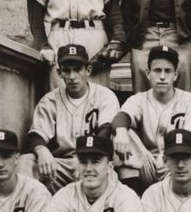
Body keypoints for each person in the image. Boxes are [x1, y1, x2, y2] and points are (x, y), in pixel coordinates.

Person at [18, 44, 121, 192]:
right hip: (60, 166)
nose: (72, 77)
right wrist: (42, 151)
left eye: (78, 69)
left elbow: (105, 134)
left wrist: (86, 162)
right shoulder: (49, 100)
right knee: (26, 162)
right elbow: (36, 135)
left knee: (109, 174)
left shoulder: (105, 96)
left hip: (93, 160)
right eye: (67, 70)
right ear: (59, 72)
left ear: (88, 70)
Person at [111, 45, 191, 194]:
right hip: (147, 163)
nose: (162, 76)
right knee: (122, 134)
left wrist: (170, 156)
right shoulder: (139, 99)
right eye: (157, 70)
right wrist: (121, 132)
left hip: (176, 161)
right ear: (148, 73)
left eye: (167, 71)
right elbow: (121, 118)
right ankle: (134, 202)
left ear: (175, 75)